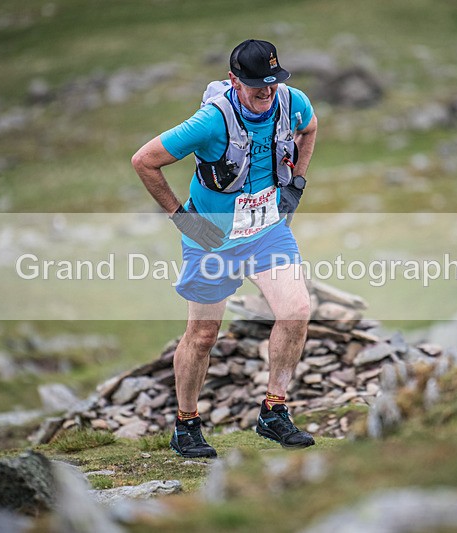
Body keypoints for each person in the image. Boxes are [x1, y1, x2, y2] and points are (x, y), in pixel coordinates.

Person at [131, 39, 318, 458]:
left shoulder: (293, 102)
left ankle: (274, 411)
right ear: (234, 81)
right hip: (212, 239)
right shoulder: (210, 122)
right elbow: (144, 160)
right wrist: (183, 218)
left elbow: (310, 128)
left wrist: (297, 183)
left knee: (296, 310)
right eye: (255, 85)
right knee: (202, 335)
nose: (266, 92)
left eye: (272, 83)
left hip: (268, 232)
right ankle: (186, 424)